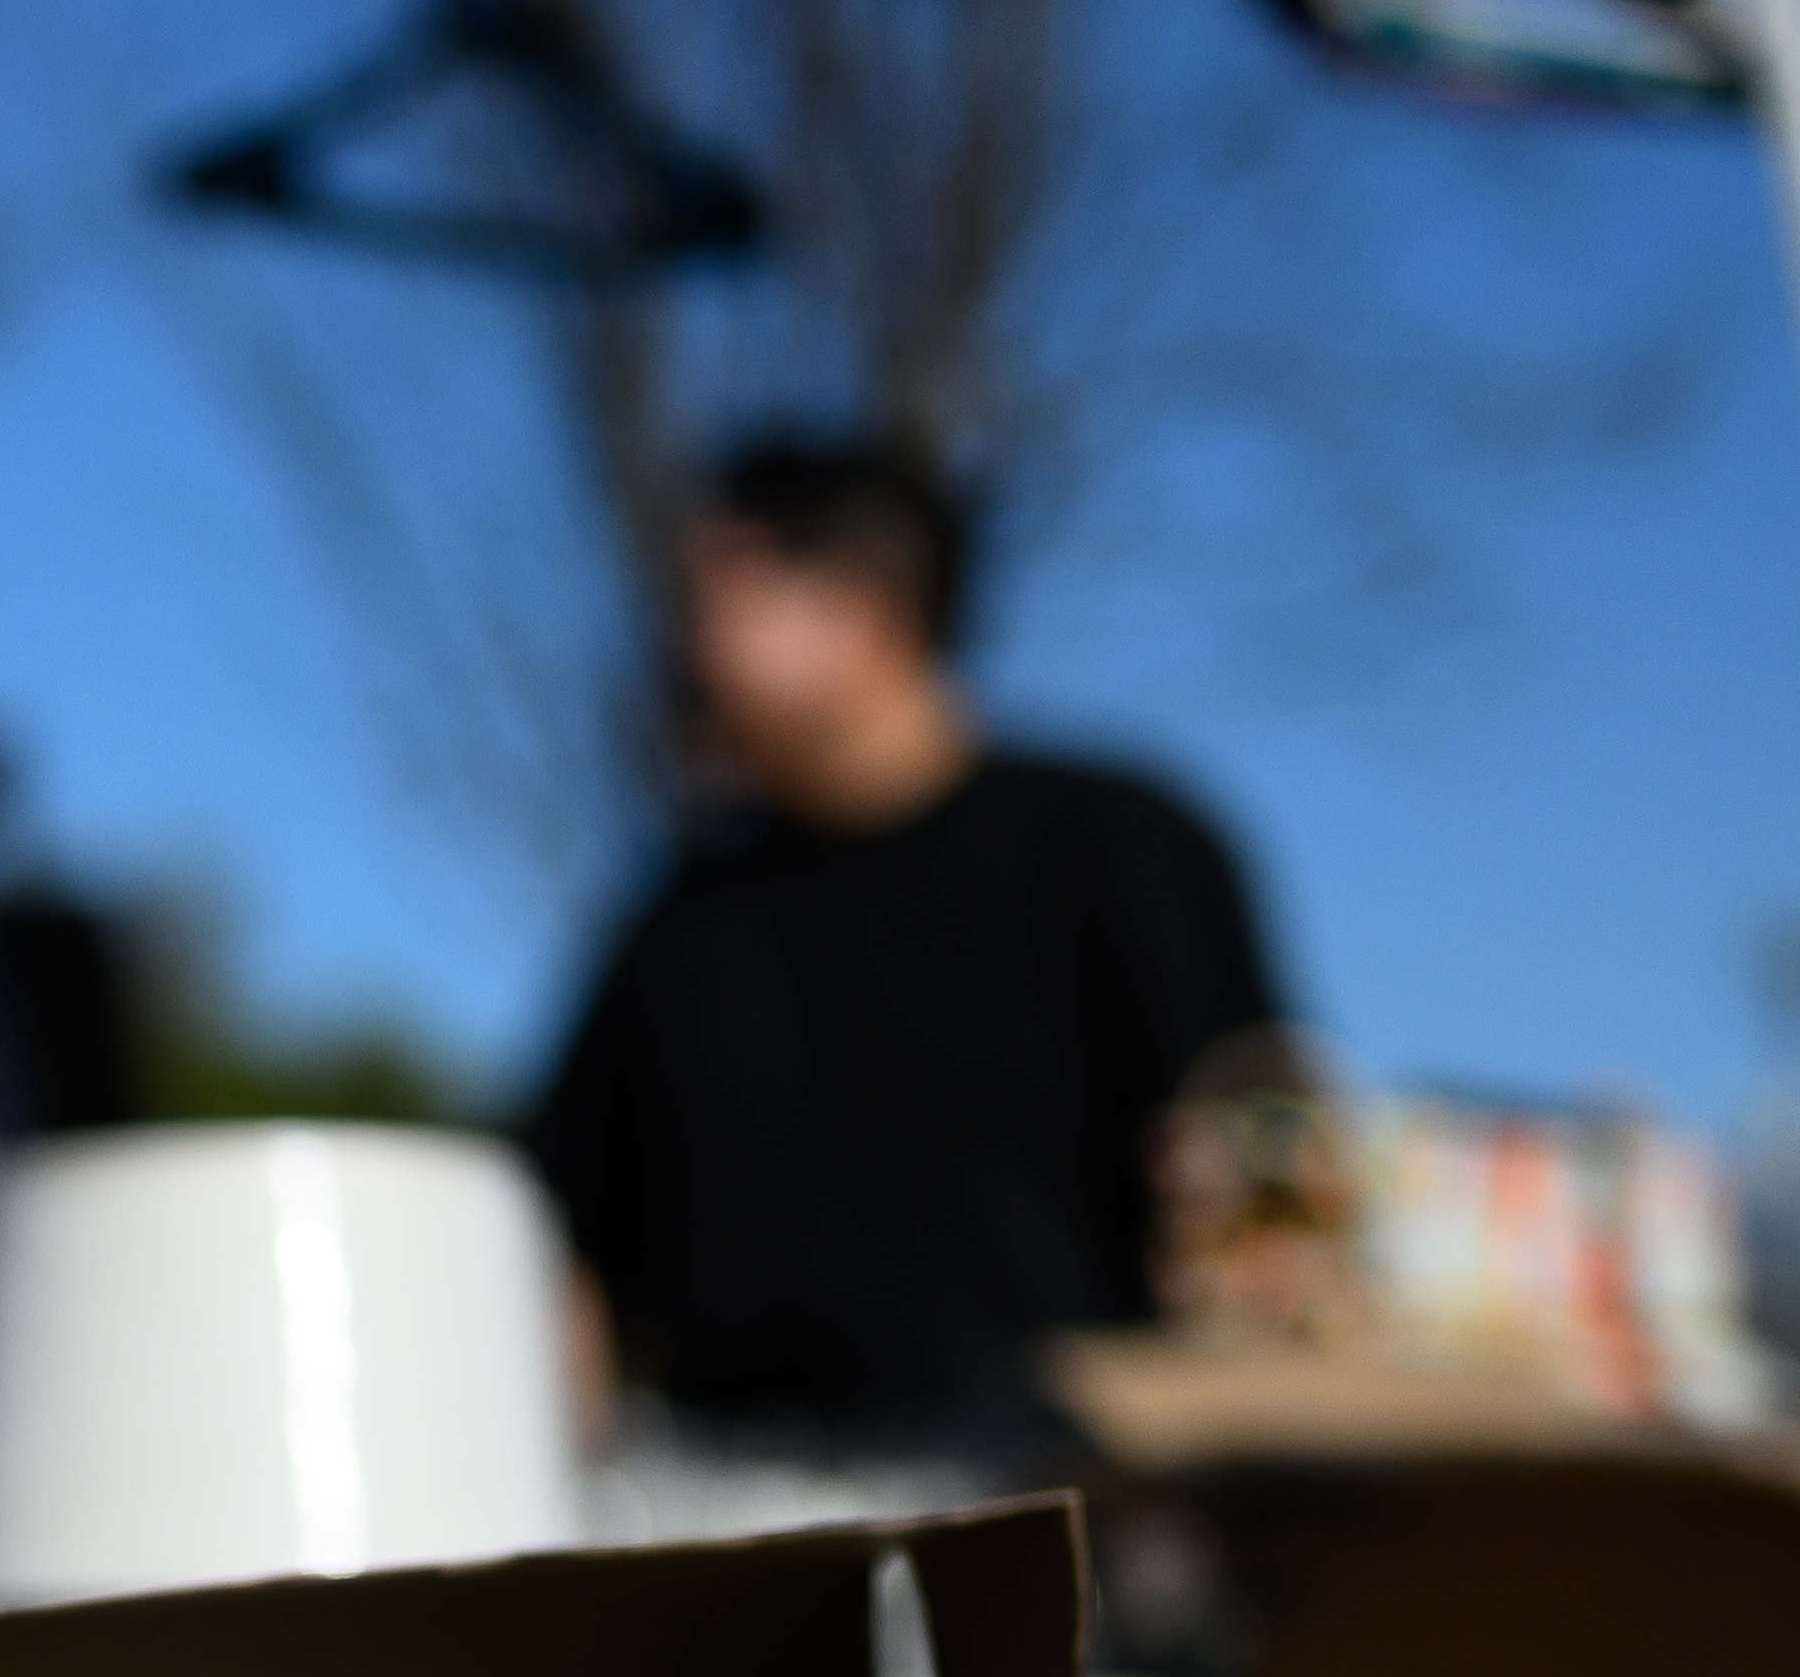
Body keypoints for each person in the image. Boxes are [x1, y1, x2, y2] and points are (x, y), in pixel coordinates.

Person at [527, 425, 1285, 1474]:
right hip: (751, 1528)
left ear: (861, 606)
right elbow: (555, 1249)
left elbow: (1262, 1190)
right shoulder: (677, 924)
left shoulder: (1118, 847)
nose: (677, 650)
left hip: (1077, 1518)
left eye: (713, 600)